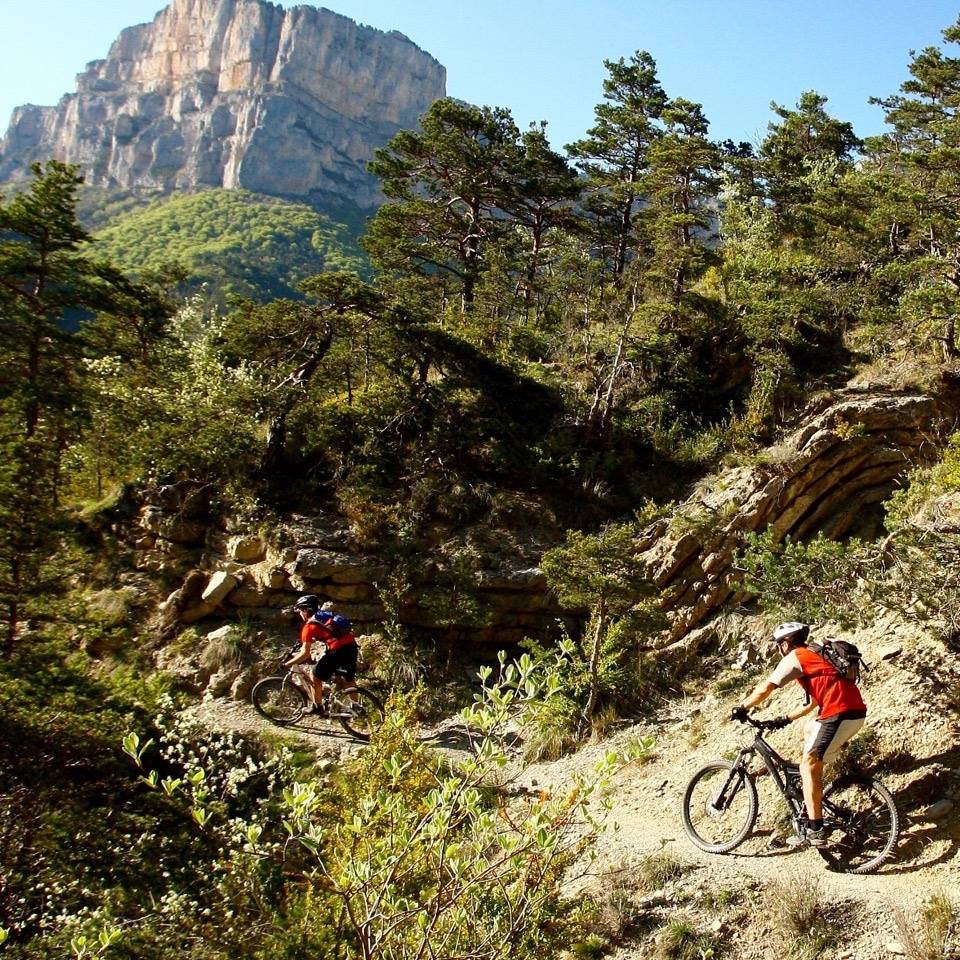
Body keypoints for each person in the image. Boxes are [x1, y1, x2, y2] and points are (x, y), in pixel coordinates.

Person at [731, 621, 867, 848]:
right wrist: (784, 719)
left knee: (809, 763)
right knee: (810, 731)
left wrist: (742, 707)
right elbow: (812, 703)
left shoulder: (796, 657)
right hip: (854, 713)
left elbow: (767, 687)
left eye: (778, 645)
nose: (778, 649)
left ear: (785, 644)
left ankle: (816, 830)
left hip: (838, 713)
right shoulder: (815, 654)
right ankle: (813, 804)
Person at [285, 595, 359, 712]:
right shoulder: (325, 615)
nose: (300, 614)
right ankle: (356, 707)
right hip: (351, 646)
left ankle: (317, 707)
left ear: (305, 610)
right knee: (349, 678)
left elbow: (305, 654)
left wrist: (288, 664)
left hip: (337, 651)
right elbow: (329, 632)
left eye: (300, 611)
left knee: (315, 675)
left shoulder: (309, 626)